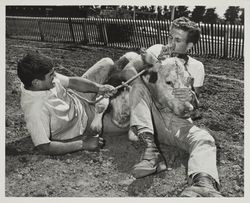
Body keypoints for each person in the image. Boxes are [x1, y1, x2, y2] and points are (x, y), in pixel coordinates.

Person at [124, 17, 222, 197]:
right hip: (150, 113)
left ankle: (203, 184)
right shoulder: (156, 51)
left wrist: (191, 97)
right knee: (137, 87)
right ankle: (151, 152)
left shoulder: (196, 67)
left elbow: (195, 107)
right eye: (170, 37)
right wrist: (152, 67)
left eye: (177, 40)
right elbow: (128, 71)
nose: (170, 43)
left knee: (204, 138)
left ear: (190, 45)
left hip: (176, 120)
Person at [17, 52, 126, 155]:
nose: (55, 77)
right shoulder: (35, 110)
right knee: (127, 124)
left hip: (77, 98)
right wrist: (83, 144)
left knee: (107, 62)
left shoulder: (38, 80)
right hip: (84, 121)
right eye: (51, 75)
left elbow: (72, 82)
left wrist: (99, 88)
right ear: (36, 83)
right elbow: (44, 147)